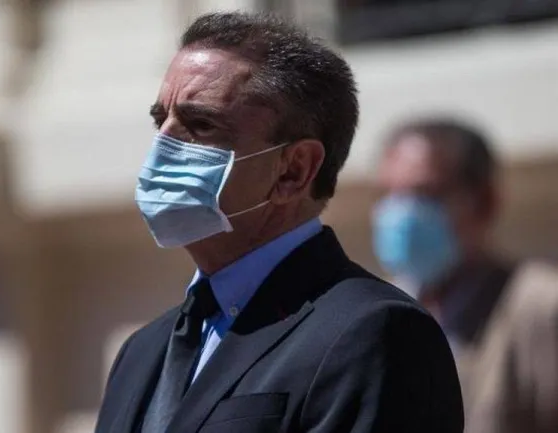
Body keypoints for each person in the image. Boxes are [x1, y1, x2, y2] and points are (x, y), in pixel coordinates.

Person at [96, 12, 463, 433]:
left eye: (201, 124)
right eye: (160, 121)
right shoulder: (141, 353)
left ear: (293, 171)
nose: (162, 146)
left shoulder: (374, 332)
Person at [373, 118, 558, 433]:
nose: (401, 213)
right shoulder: (377, 312)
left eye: (425, 193)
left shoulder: (540, 307)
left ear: (485, 203)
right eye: (389, 193)